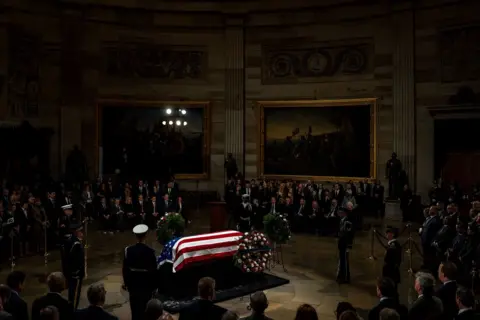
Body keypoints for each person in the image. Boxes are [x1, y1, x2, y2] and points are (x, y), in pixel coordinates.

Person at [122, 224, 157, 320]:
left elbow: (125, 269)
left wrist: (126, 284)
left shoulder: (128, 250)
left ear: (135, 236)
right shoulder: (151, 252)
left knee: (135, 311)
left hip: (133, 287)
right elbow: (154, 272)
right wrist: (154, 287)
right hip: (146, 287)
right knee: (146, 311)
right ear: (146, 235)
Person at [60, 222, 85, 310]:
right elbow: (76, 260)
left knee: (71, 292)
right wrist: (78, 272)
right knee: (74, 294)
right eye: (80, 231)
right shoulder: (76, 244)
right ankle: (73, 310)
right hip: (75, 274)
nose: (82, 233)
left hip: (70, 272)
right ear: (76, 232)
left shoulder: (69, 240)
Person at [337, 209, 354, 284]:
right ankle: (341, 275)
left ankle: (345, 277)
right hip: (341, 243)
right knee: (341, 261)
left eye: (340, 212)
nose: (339, 213)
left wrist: (349, 245)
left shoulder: (347, 222)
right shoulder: (342, 220)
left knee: (344, 261)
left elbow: (349, 234)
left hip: (345, 244)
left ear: (344, 213)